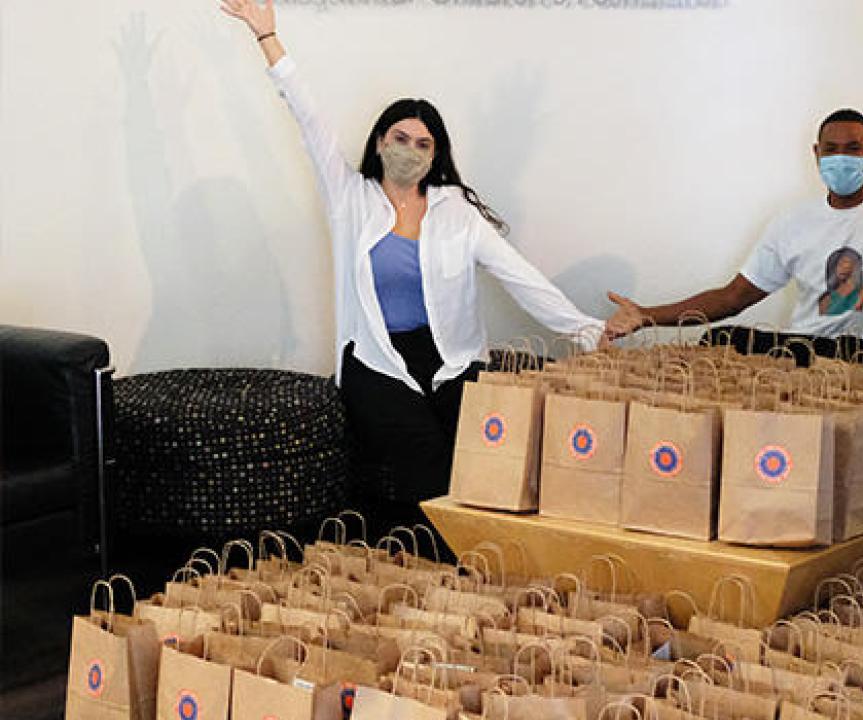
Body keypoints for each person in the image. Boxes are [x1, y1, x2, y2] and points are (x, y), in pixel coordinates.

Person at [220, 0, 606, 535]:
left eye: (423, 144)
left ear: (435, 155)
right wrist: (268, 38)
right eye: (400, 138)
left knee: (481, 455)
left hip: (451, 358)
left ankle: (484, 567)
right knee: (426, 460)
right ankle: (452, 572)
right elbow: (307, 118)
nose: (410, 149)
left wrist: (587, 330)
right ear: (380, 142)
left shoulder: (456, 213)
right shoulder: (350, 197)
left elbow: (519, 275)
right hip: (376, 359)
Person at [604, 55, 863, 345]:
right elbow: (733, 297)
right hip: (801, 351)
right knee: (720, 340)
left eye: (853, 148)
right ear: (817, 154)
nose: (841, 157)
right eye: (831, 149)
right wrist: (646, 315)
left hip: (860, 356)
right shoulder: (793, 223)